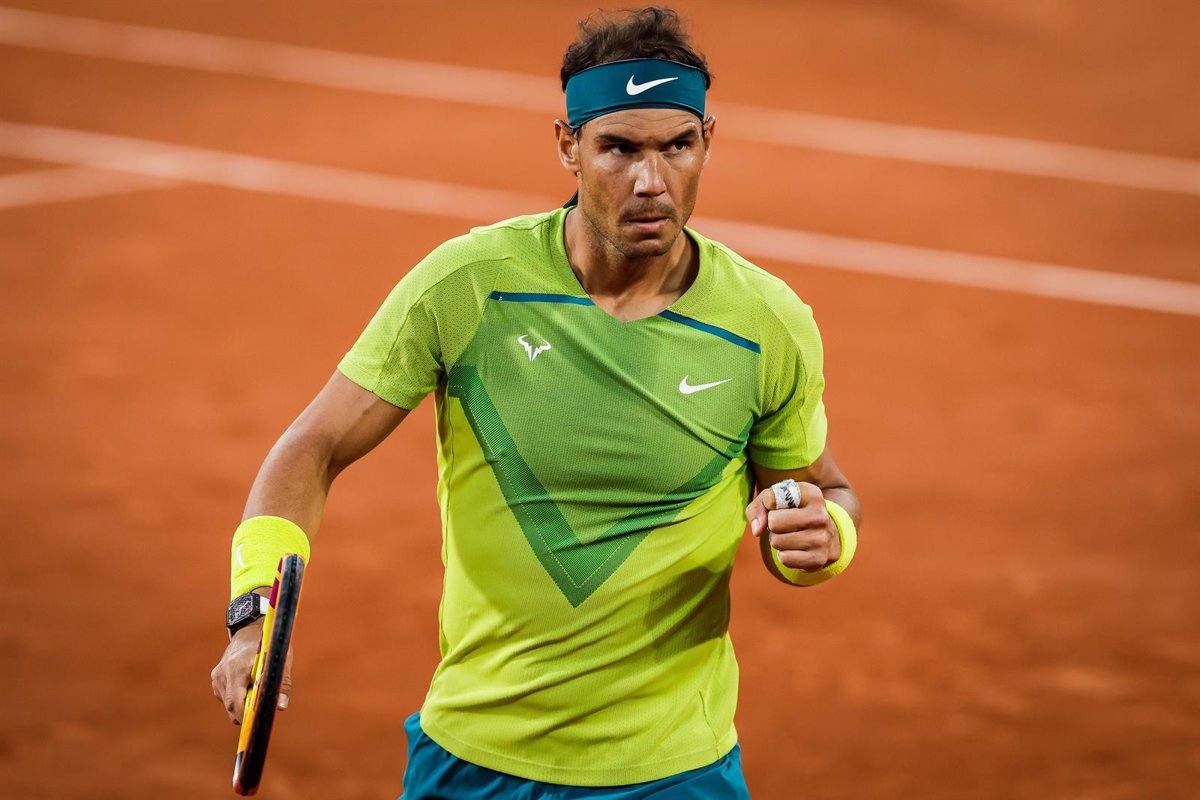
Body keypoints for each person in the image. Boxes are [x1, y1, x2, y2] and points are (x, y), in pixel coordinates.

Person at [210, 6, 862, 798]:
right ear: (567, 145)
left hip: (674, 773)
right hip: (473, 759)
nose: (651, 181)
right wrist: (253, 616)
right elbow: (312, 448)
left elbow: (822, 493)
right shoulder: (468, 285)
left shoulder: (767, 324)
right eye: (619, 148)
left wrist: (826, 537)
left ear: (708, 141)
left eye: (677, 145)